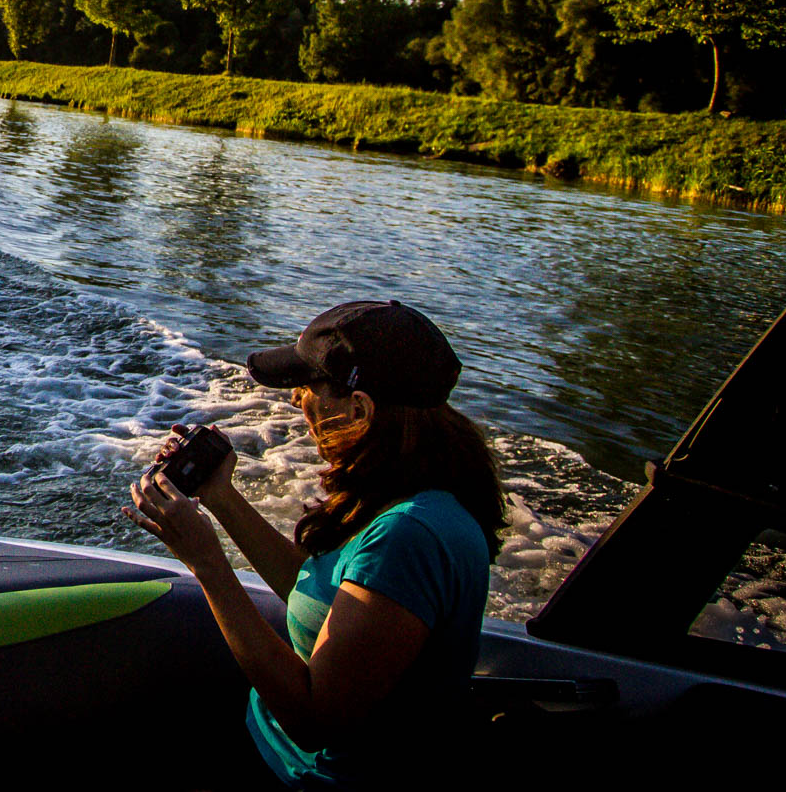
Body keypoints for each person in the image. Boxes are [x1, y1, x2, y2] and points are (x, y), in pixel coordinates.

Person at [124, 300, 505, 790]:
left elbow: (314, 719)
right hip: (270, 748)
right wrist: (222, 499)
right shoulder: (411, 489)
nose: (297, 399)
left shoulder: (409, 535)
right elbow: (324, 598)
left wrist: (207, 563)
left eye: (308, 386)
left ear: (360, 408)